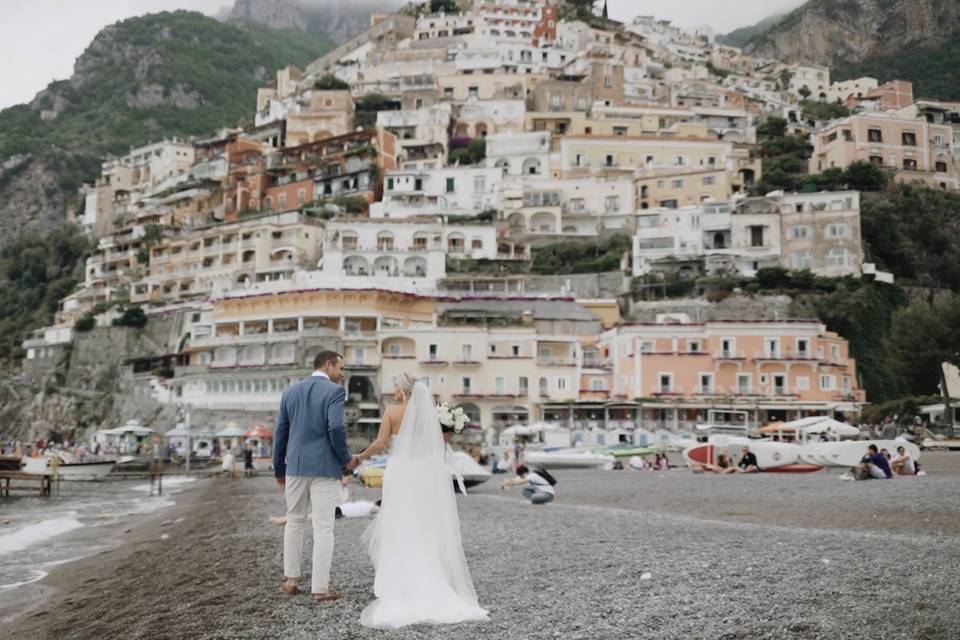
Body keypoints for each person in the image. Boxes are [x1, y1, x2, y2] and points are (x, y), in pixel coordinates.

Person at [354, 374, 488, 629]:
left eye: (396, 386)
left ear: (404, 391)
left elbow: (381, 444)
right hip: (424, 473)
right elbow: (438, 445)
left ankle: (402, 582)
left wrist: (360, 457)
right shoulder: (431, 415)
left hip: (402, 472)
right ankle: (430, 576)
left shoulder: (392, 412)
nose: (394, 390)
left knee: (400, 523)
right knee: (424, 522)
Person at [273, 351, 359, 603]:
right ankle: (320, 589)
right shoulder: (334, 391)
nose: (342, 373)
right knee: (323, 527)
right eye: (340, 367)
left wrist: (279, 469)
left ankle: (291, 581)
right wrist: (345, 458)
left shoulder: (290, 392)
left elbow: (281, 432)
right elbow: (335, 427)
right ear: (328, 365)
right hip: (325, 466)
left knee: (294, 522)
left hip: (295, 466)